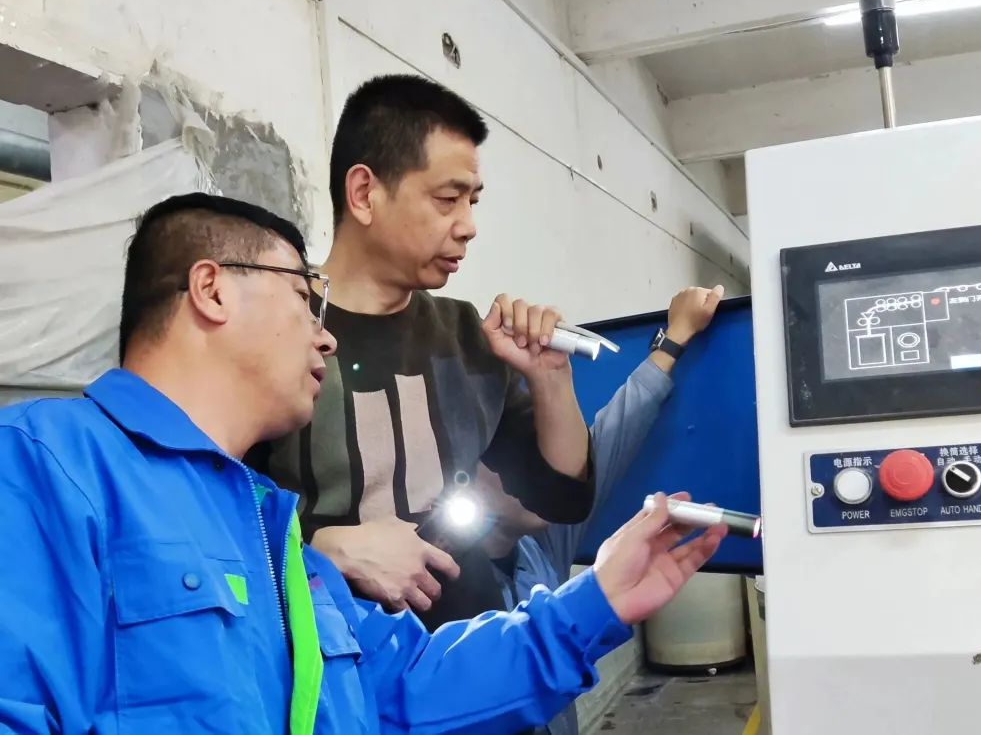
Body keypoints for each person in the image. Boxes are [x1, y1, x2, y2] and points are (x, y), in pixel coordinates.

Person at [0, 193, 726, 734]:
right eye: (303, 297)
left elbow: (409, 682)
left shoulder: (272, 534)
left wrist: (596, 601)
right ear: (212, 289)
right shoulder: (42, 467)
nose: (324, 338)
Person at [259, 74, 595, 630]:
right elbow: (210, 514)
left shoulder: (464, 336)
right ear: (364, 193)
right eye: (447, 199)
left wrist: (550, 378)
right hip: (324, 652)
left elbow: (561, 499)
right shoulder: (276, 326)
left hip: (462, 643)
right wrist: (320, 548)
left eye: (473, 201)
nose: (468, 227)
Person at [474, 285, 725, 735]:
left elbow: (614, 436)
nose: (546, 469)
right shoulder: (420, 583)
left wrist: (674, 339)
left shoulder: (541, 545)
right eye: (517, 451)